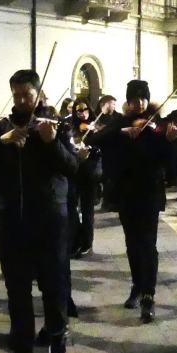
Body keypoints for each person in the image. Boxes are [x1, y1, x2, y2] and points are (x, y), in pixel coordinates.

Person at [0, 69, 78, 353]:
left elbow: (74, 168)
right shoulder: (2, 128)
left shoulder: (57, 126)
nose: (20, 101)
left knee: (53, 283)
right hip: (11, 221)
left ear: (38, 94)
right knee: (16, 290)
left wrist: (51, 144)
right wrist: (1, 143)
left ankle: (57, 329)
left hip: (50, 219)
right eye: (16, 95)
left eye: (26, 95)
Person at [87, 80, 177, 322]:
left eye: (142, 99)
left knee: (148, 244)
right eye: (134, 99)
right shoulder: (121, 123)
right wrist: (123, 133)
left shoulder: (159, 126)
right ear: (128, 101)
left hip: (149, 193)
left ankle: (148, 294)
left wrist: (170, 142)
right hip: (126, 193)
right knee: (132, 244)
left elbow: (170, 164)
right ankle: (137, 286)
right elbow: (94, 140)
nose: (139, 104)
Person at [69, 99, 102, 257]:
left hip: (89, 171)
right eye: (78, 110)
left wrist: (91, 147)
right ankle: (75, 240)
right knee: (72, 207)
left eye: (85, 110)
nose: (82, 113)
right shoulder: (71, 127)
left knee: (88, 209)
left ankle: (87, 243)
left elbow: (100, 146)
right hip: (75, 171)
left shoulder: (95, 127)